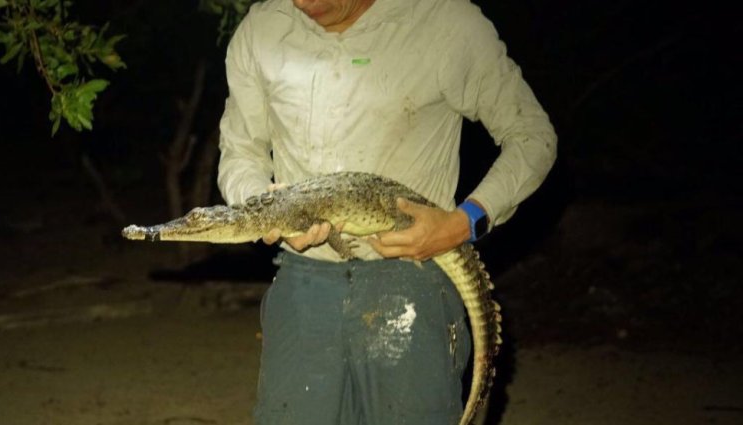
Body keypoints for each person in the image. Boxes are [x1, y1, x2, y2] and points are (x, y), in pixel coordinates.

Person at [216, 0, 557, 423]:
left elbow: (532, 137)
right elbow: (240, 152)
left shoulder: (445, 21)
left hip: (414, 276)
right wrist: (265, 208)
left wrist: (464, 221)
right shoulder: (263, 28)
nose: (304, 3)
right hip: (303, 280)